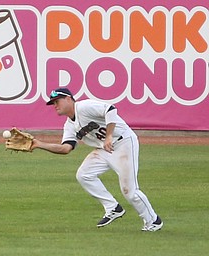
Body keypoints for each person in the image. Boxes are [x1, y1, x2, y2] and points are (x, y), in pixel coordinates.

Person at [31, 88, 163, 232]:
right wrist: (38, 144)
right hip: (104, 149)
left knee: (129, 192)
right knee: (84, 175)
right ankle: (113, 207)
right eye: (53, 103)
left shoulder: (84, 107)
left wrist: (109, 136)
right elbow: (66, 148)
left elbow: (111, 110)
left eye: (57, 101)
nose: (55, 105)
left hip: (123, 142)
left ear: (68, 99)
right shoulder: (69, 125)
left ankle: (153, 220)